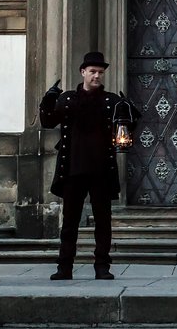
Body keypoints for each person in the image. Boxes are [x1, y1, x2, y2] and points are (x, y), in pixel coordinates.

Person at [40, 52, 139, 280]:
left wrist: (129, 110)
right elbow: (48, 121)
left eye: (100, 72)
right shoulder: (67, 99)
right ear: (83, 72)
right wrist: (47, 101)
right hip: (73, 169)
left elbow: (129, 126)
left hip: (101, 170)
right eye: (92, 71)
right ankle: (64, 267)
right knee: (70, 222)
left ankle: (102, 266)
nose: (96, 76)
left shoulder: (111, 101)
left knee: (103, 222)